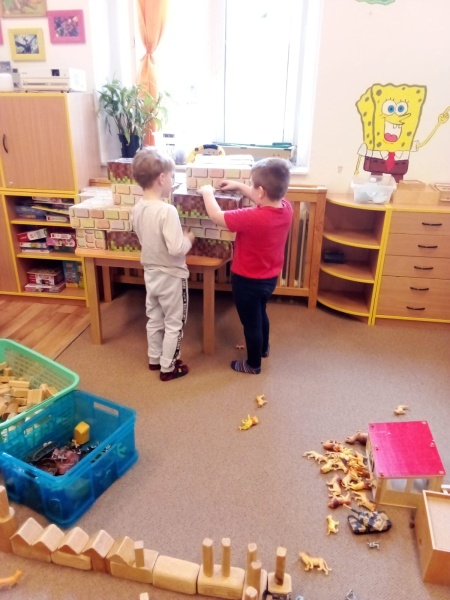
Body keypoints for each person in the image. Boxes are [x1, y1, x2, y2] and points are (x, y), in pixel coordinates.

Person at [200, 157, 293, 374]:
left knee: (251, 323)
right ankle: (263, 348)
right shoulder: (286, 208)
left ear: (260, 192)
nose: (250, 189)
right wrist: (240, 186)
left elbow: (216, 216)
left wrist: (207, 192)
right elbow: (263, 197)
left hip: (247, 281)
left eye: (252, 186)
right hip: (269, 278)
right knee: (260, 312)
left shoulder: (253, 217)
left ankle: (253, 364)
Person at [132, 147, 194, 381]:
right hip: (172, 276)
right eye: (172, 176)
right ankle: (168, 367)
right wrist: (188, 239)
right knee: (174, 323)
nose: (173, 181)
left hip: (151, 273)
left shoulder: (137, 208)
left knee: (154, 319)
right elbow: (176, 249)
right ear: (162, 178)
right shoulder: (167, 211)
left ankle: (154, 358)